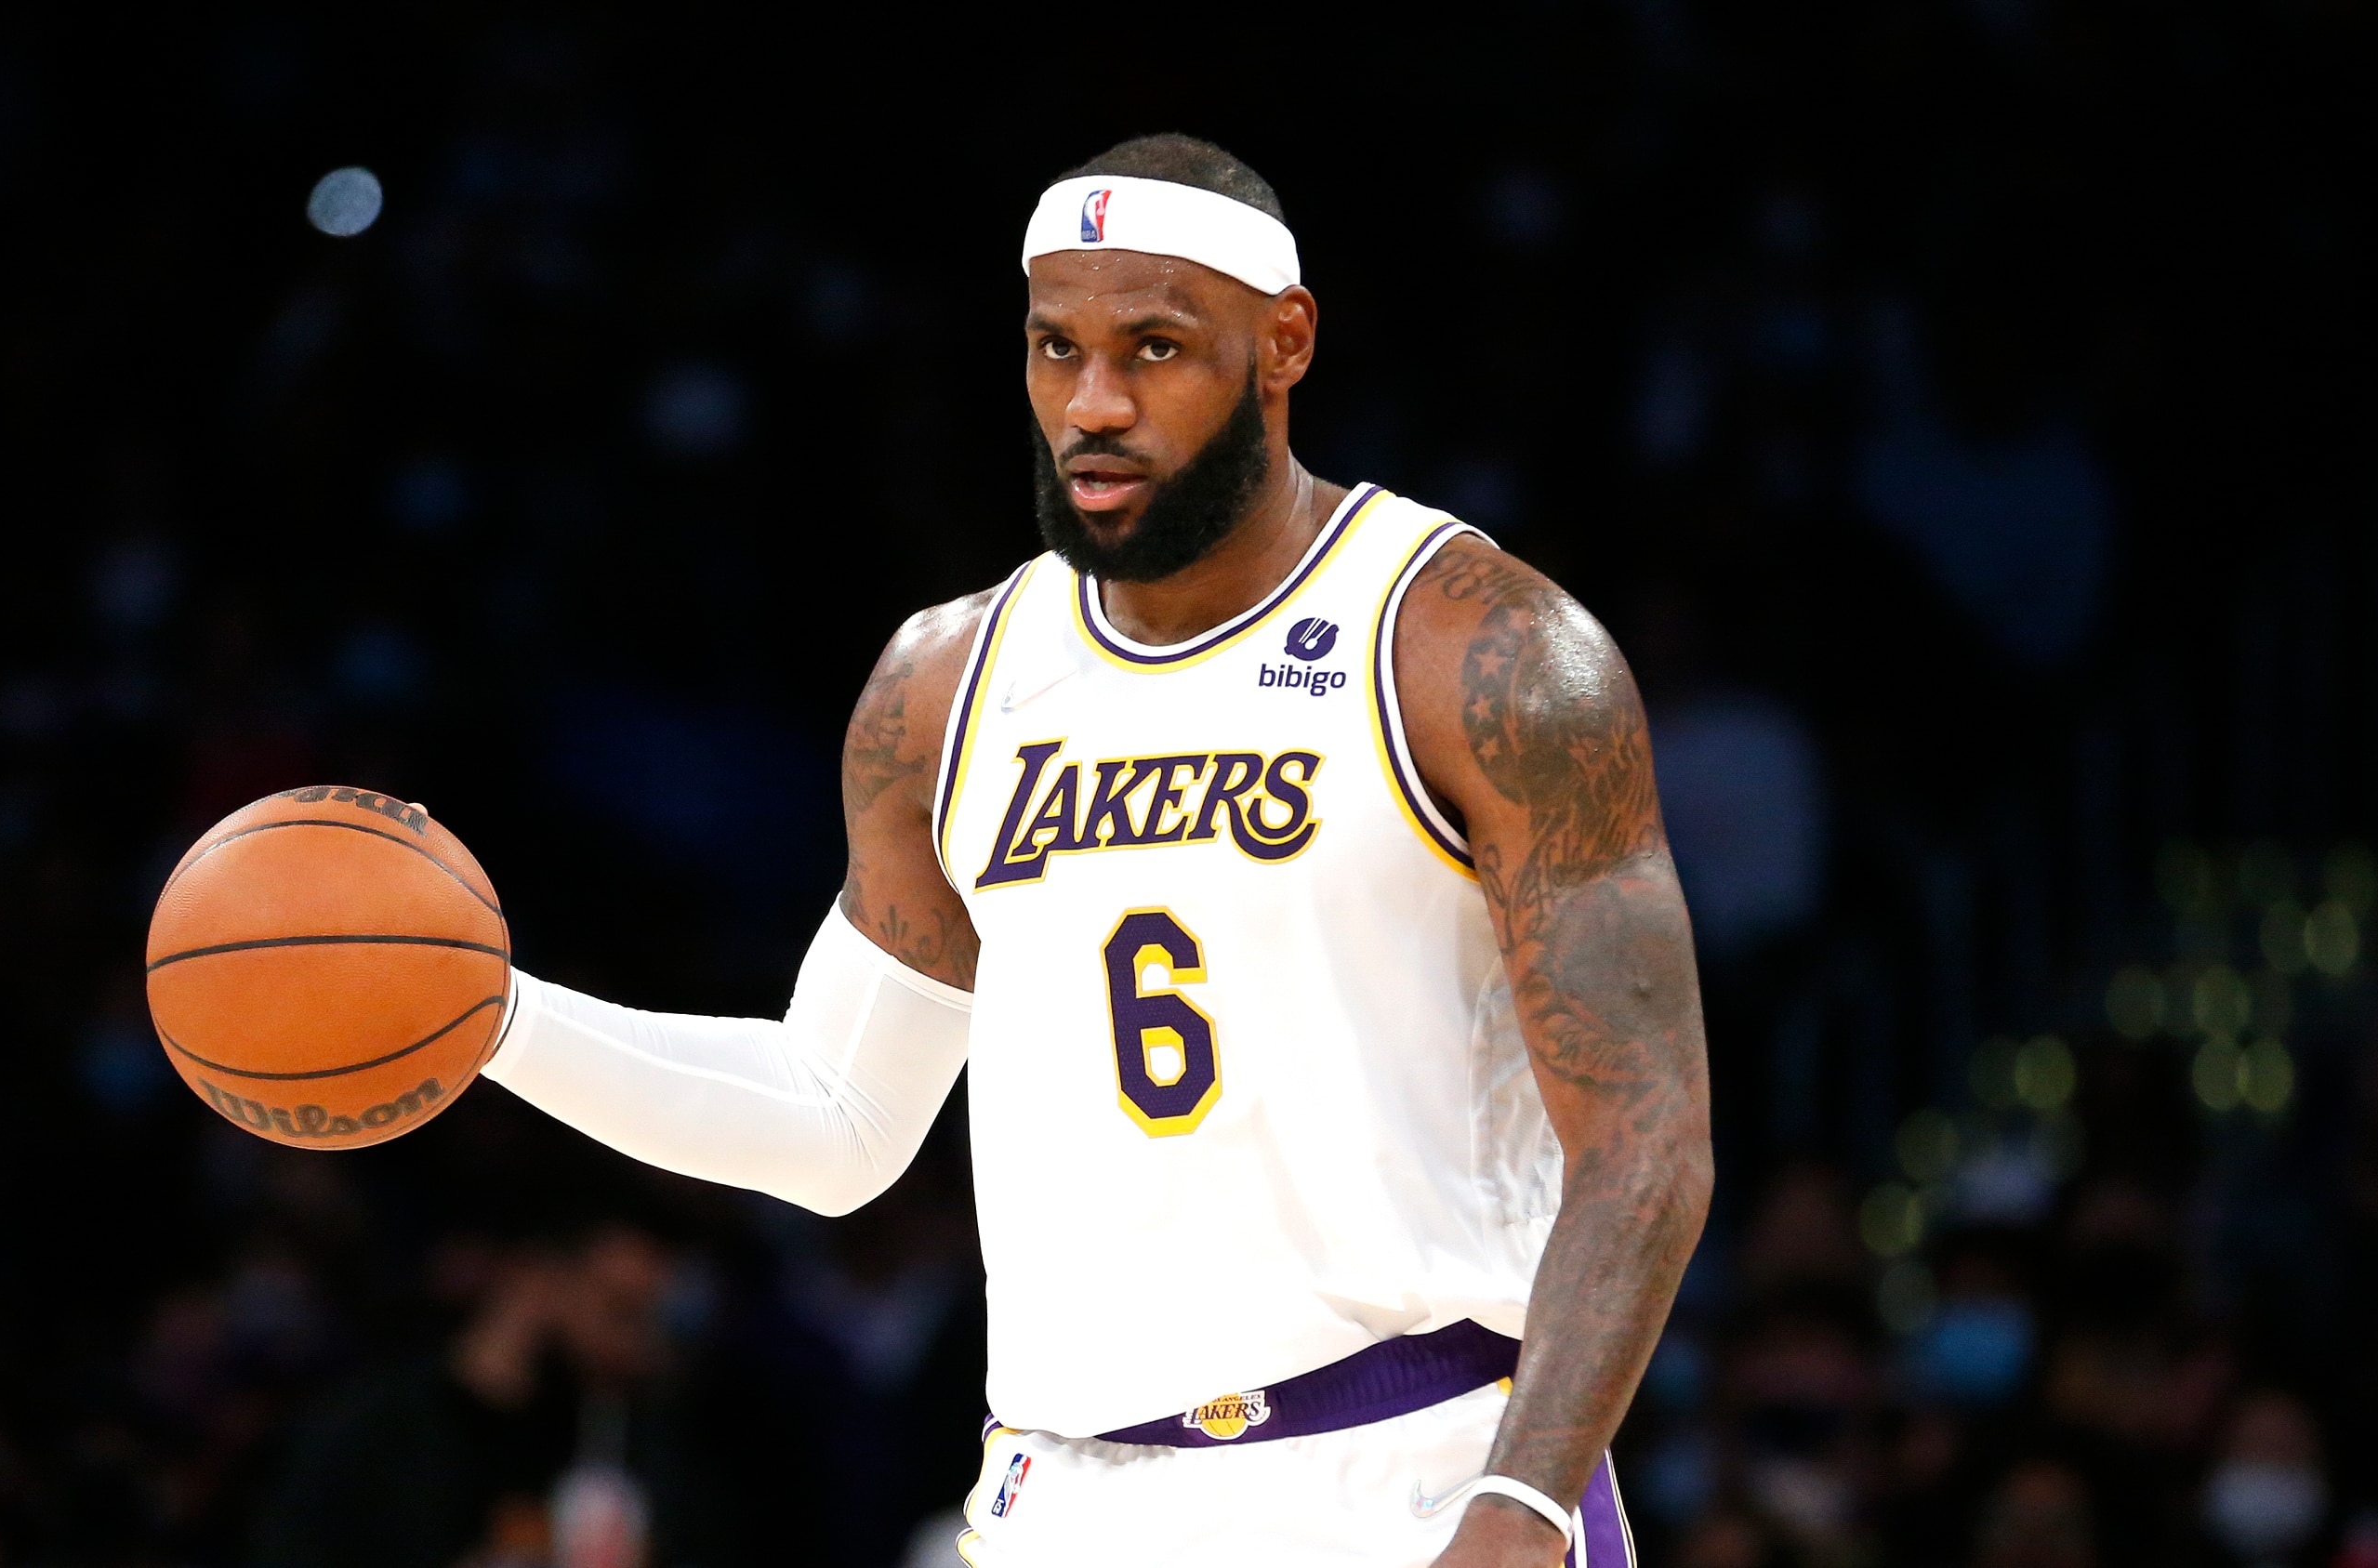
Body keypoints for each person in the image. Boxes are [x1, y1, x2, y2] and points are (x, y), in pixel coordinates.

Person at [480, 134, 1713, 1567]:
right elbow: (838, 1126)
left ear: (1284, 343)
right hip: (1063, 1502)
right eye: (1055, 349)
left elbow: (1644, 1139)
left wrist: (1528, 1498)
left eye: (1157, 348)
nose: (1095, 404)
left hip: (1414, 1475)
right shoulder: (945, 685)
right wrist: (494, 1021)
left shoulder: (1477, 650)